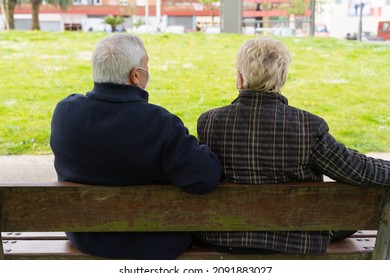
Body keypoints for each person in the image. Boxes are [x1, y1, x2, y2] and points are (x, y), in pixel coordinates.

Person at [196, 37, 390, 255]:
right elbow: (357, 170)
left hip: (224, 236)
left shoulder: (209, 122)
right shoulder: (308, 126)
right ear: (282, 78)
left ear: (239, 77)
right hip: (295, 239)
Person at [50, 33, 221, 260]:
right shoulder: (159, 123)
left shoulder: (65, 113)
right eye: (147, 65)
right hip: (155, 242)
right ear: (136, 75)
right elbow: (205, 178)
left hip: (87, 236)